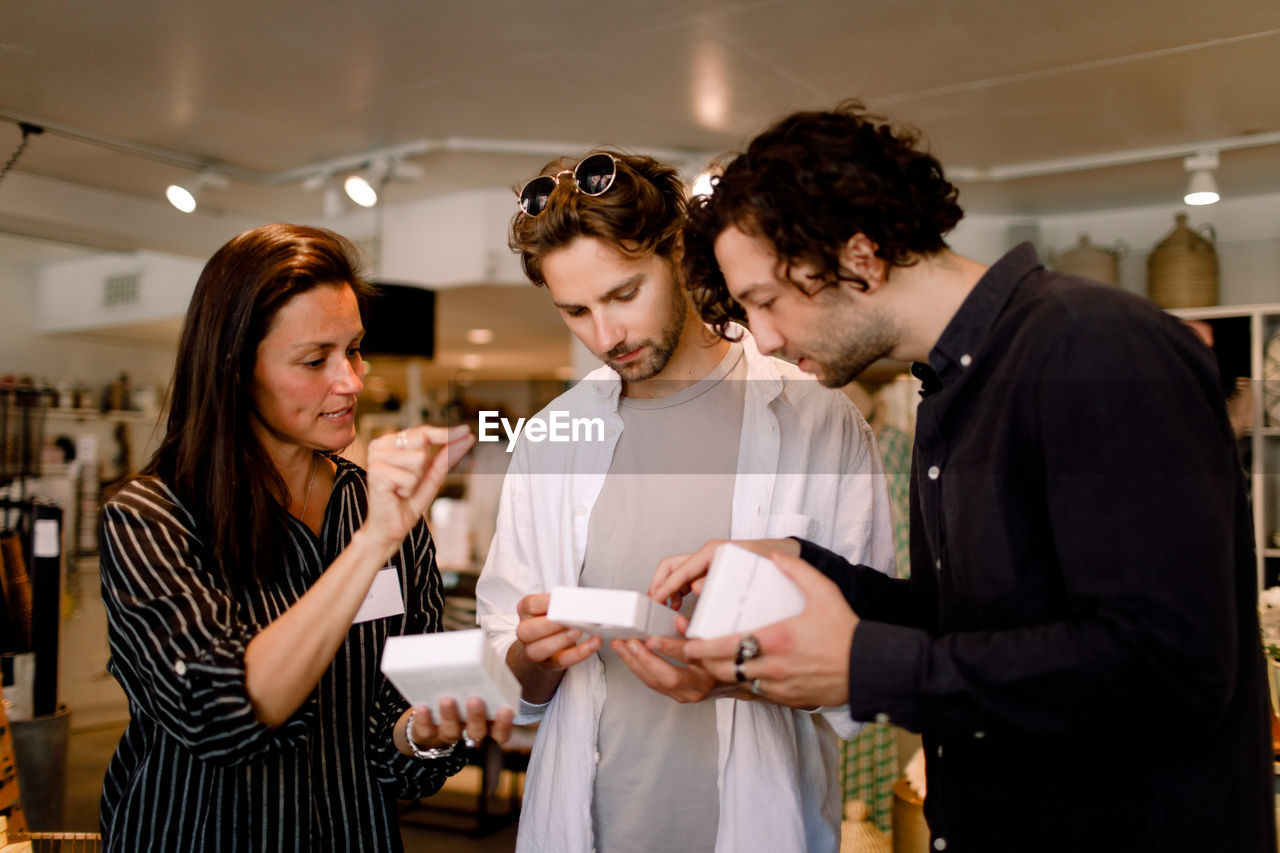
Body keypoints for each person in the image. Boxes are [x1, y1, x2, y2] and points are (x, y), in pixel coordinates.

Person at [651, 101, 1276, 852]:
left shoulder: (1095, 347)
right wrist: (796, 563)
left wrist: (863, 664)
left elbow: (1167, 669)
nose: (768, 338)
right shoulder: (951, 386)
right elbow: (986, 626)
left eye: (767, 301)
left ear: (860, 256)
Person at [474, 151, 896, 852]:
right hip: (582, 828)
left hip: (761, 827)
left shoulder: (818, 416)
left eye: (623, 294)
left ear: (679, 254)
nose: (605, 336)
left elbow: (864, 658)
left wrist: (731, 676)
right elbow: (507, 678)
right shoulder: (552, 436)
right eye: (575, 311)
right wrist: (532, 656)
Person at [98, 224, 515, 851]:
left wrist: (425, 731)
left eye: (354, 350)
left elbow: (391, 743)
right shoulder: (152, 517)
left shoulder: (372, 505)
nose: (350, 381)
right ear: (236, 370)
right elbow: (221, 713)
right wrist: (371, 544)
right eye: (314, 360)